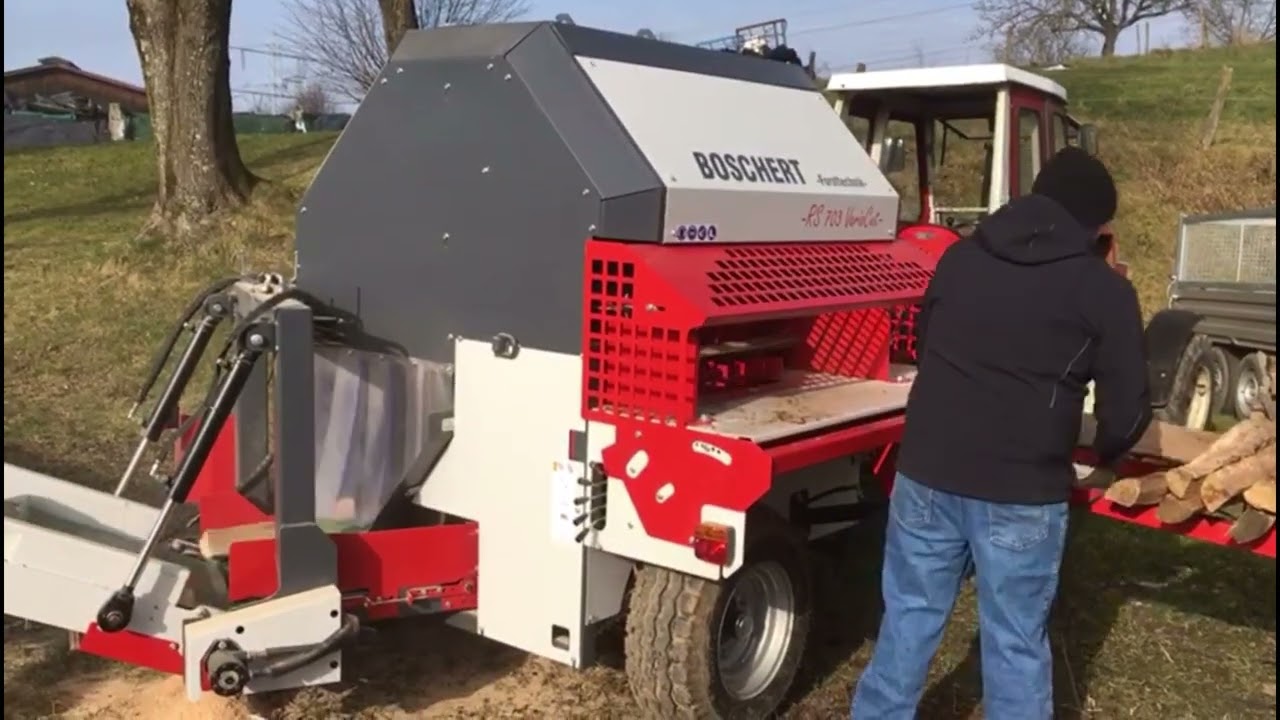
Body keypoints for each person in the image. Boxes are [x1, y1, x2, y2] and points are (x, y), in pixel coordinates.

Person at [850, 147, 1153, 720]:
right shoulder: (1104, 290)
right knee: (1015, 642)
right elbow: (1127, 413)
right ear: (1095, 225)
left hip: (926, 473)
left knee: (907, 621)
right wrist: (1104, 456)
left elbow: (928, 344)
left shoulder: (959, 258)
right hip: (1020, 491)